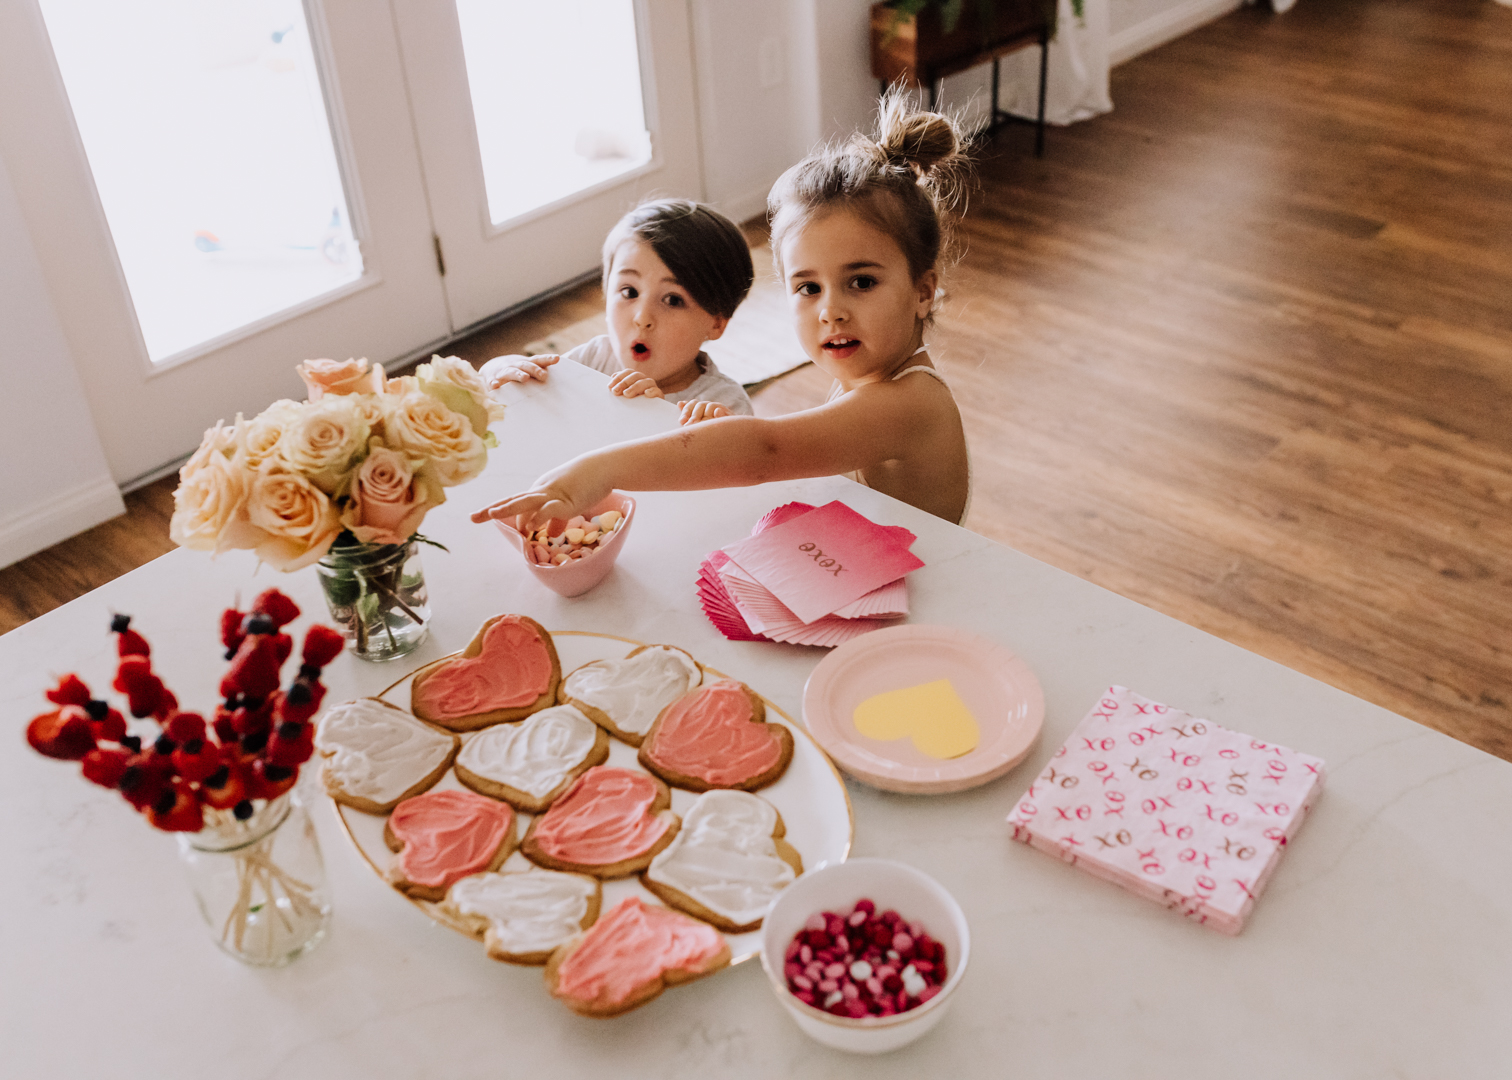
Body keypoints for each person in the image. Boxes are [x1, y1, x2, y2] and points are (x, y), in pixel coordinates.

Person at [472, 92, 972, 529]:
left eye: (861, 282)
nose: (831, 311)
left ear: (923, 291)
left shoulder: (908, 403)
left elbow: (765, 451)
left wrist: (593, 471)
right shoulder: (870, 372)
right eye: (808, 287)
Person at [481, 199, 755, 425]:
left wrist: (701, 437)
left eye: (672, 300)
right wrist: (501, 369)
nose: (642, 318)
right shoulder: (593, 359)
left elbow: (741, 479)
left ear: (716, 323)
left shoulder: (720, 406)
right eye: (629, 292)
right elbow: (529, 402)